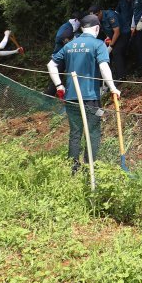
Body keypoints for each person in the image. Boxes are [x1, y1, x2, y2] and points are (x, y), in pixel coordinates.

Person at [48, 14, 120, 174]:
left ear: (81, 28)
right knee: (93, 131)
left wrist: (59, 86)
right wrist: (113, 87)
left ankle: (73, 169)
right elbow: (103, 67)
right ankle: (90, 168)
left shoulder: (70, 45)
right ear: (97, 28)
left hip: (71, 97)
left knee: (75, 132)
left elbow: (51, 64)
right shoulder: (98, 44)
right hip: (90, 97)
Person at [113, 0, 140, 80]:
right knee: (124, 49)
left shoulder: (135, 0)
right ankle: (124, 71)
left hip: (134, 26)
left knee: (136, 46)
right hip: (124, 29)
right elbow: (116, 13)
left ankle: (138, 68)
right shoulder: (121, 2)